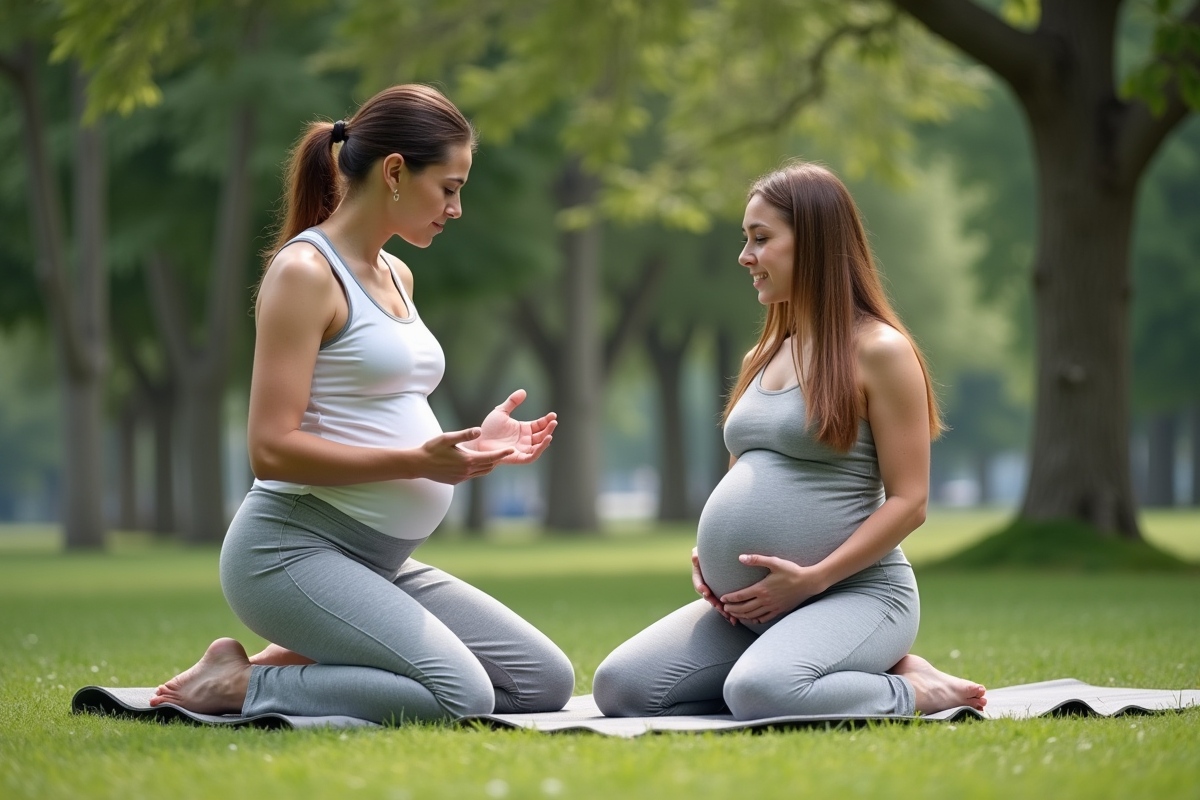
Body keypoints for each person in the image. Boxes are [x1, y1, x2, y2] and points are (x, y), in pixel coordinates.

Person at [150, 85, 574, 724]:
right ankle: (242, 688)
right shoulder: (305, 274)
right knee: (463, 697)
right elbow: (270, 450)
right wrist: (414, 462)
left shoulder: (396, 274)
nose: (457, 208)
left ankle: (266, 664)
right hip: (290, 551)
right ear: (396, 171)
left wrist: (473, 442)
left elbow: (387, 397)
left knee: (542, 681)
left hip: (379, 560)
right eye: (450, 187)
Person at [592, 162, 987, 720]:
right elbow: (744, 474)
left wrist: (812, 580)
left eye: (761, 239)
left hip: (858, 594)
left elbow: (910, 502)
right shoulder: (763, 356)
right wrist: (711, 555)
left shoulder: (880, 351)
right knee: (621, 688)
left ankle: (915, 691)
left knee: (760, 694)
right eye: (745, 240)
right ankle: (819, 663)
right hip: (750, 609)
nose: (744, 257)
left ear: (817, 244)